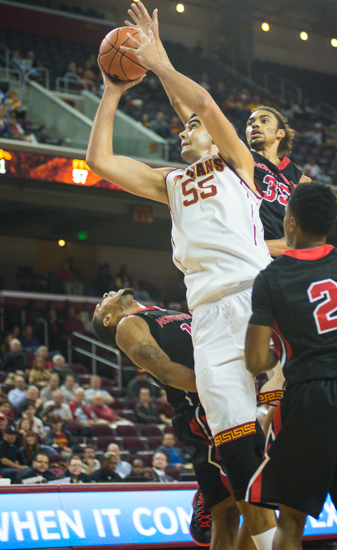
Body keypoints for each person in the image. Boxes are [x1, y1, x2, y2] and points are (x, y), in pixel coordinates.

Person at [88, 4, 276, 547]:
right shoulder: (169, 183)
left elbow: (202, 102)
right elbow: (99, 159)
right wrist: (114, 88)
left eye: (191, 127)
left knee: (297, 421)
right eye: (183, 127)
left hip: (257, 299)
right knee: (238, 455)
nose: (184, 129)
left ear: (213, 138)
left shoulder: (240, 164)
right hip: (210, 316)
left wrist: (157, 60)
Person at [92, 291, 255, 549]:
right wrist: (223, 388)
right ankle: (209, 489)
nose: (105, 294)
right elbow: (167, 373)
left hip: (226, 397)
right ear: (108, 319)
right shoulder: (127, 325)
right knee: (244, 504)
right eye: (101, 304)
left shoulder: (162, 311)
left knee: (239, 506)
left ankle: (208, 488)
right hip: (202, 408)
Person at [245, 182, 337, 550]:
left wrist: (277, 355)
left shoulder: (271, 278)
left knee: (290, 525)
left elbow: (254, 360)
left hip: (310, 397)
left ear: (291, 223)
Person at [245, 106, 311, 258]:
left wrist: (250, 247)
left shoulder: (300, 179)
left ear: (280, 133)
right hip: (241, 259)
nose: (255, 125)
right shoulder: (240, 157)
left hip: (280, 260)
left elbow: (301, 240)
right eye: (250, 123)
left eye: (264, 121)